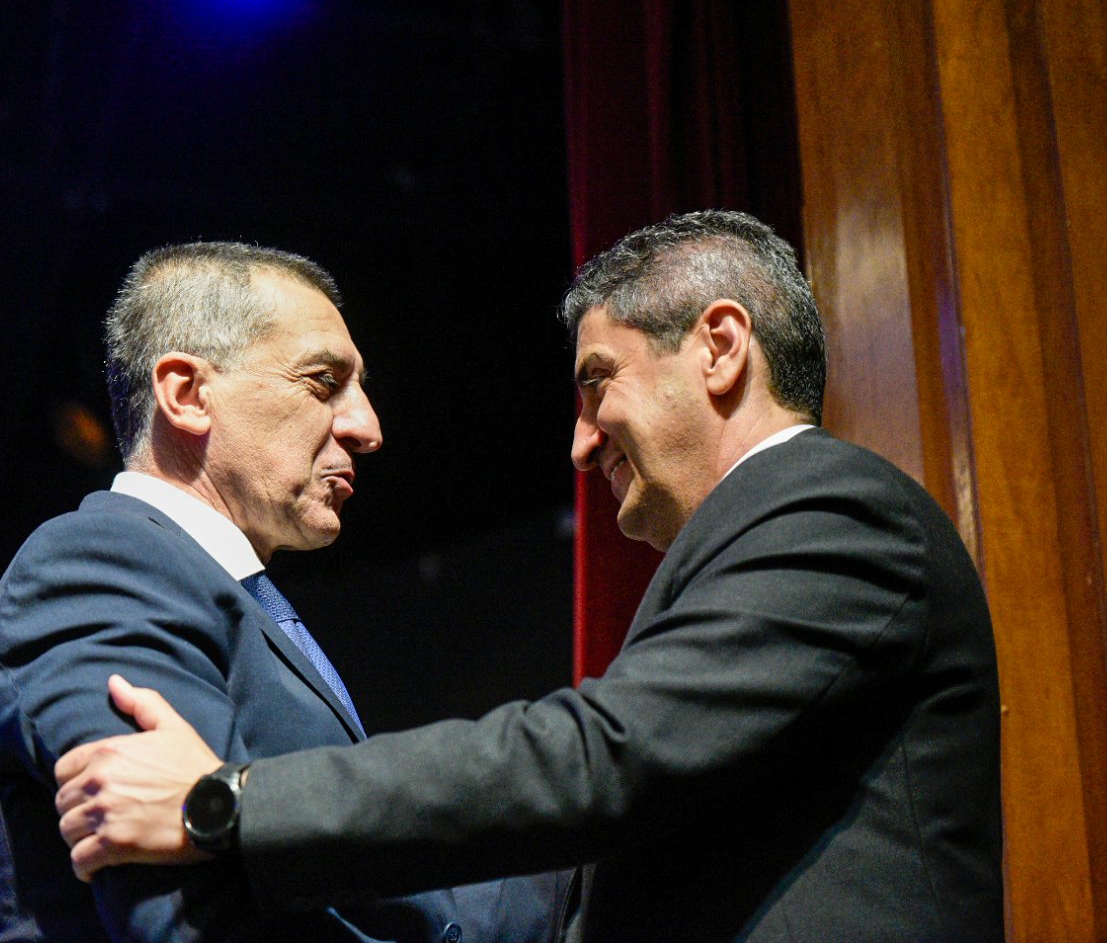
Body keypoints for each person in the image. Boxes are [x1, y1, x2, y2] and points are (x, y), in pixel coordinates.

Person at [52, 212, 1005, 942]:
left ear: (720, 347)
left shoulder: (832, 510)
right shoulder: (776, 533)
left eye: (598, 382)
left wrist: (229, 802)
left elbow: (600, 759)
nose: (582, 443)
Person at [0, 242, 560, 942]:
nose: (367, 428)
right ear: (187, 394)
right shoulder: (101, 565)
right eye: (324, 382)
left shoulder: (205, 589)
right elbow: (188, 917)